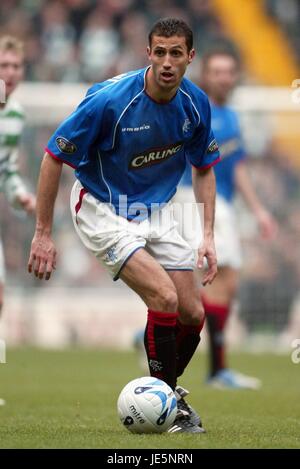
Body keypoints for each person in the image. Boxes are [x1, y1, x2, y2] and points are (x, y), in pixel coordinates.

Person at [28, 18, 220, 434]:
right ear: (148, 53)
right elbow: (52, 156)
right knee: (164, 298)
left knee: (192, 312)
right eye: (160, 52)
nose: (167, 62)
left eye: (176, 53)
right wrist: (43, 233)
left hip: (160, 208)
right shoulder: (111, 101)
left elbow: (204, 168)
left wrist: (207, 235)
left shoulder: (196, 103)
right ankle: (169, 407)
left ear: (190, 57)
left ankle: (164, 387)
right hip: (104, 207)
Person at [178, 48, 277, 389]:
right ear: (205, 75)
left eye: (229, 71)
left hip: (226, 204)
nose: (224, 77)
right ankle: (217, 370)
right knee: (223, 277)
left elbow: (238, 170)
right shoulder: (197, 110)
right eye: (217, 71)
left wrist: (259, 209)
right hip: (202, 201)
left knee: (220, 283)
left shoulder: (232, 117)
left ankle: (161, 329)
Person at [0, 36, 36, 405]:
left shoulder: (16, 115)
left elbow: (5, 169)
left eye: (15, 66)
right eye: (2, 66)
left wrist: (20, 194)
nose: (9, 73)